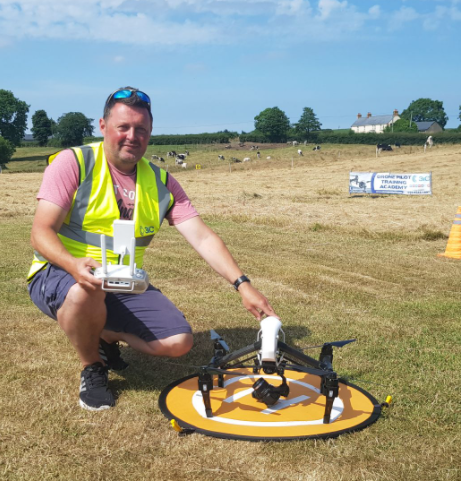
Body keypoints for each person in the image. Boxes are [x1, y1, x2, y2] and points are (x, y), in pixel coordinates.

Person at [27, 87, 277, 411]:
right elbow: (40, 232)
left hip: (123, 280)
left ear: (150, 133)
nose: (132, 136)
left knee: (179, 342)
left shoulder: (161, 182)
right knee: (83, 293)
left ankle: (101, 334)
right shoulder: (74, 163)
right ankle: (93, 367)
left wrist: (243, 285)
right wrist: (73, 264)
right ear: (103, 126)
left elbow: (201, 237)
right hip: (62, 274)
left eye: (141, 129)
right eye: (124, 127)